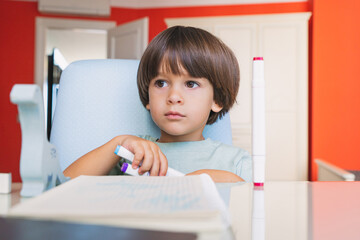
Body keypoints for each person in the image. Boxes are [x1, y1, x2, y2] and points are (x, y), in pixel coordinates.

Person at [64, 26, 252, 182]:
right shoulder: (133, 154)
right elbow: (63, 186)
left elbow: (249, 209)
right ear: (148, 96)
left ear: (217, 100)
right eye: (161, 83)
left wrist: (218, 182)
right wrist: (119, 143)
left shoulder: (236, 161)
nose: (173, 96)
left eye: (191, 84)